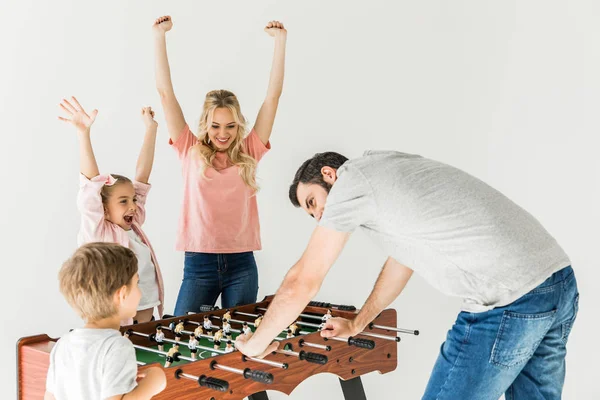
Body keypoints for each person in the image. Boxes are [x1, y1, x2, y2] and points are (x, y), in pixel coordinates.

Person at [236, 151, 579, 399]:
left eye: (312, 202)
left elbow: (303, 280)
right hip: (558, 281)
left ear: (329, 175)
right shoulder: (385, 169)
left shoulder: (352, 182)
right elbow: (403, 260)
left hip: (510, 301)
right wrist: (358, 323)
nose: (319, 216)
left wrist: (256, 342)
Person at [152, 16, 287, 314]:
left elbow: (272, 98)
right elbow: (165, 94)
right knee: (179, 336)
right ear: (206, 124)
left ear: (238, 125)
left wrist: (280, 42)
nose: (223, 134)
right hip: (199, 262)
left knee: (238, 345)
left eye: (230, 126)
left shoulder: (249, 151)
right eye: (215, 126)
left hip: (242, 264)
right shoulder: (189, 148)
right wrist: (159, 36)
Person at [59, 97, 164, 323]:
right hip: (118, 321)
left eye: (133, 199)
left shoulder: (134, 225)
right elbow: (89, 187)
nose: (133, 206)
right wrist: (83, 134)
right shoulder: (98, 233)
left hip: (147, 316)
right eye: (123, 201)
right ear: (104, 210)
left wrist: (151, 129)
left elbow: (142, 176)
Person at [45, 243, 166, 399]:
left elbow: (49, 397)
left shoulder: (64, 343)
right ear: (122, 294)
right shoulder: (117, 346)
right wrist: (155, 381)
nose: (140, 293)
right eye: (136, 283)